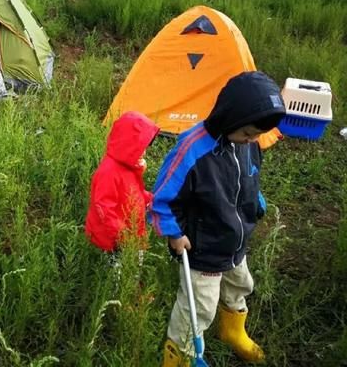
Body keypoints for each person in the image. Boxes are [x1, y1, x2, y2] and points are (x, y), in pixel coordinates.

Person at [149, 71, 286, 367]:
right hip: (203, 247)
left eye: (256, 136)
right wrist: (173, 232)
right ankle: (181, 355)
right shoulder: (192, 149)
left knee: (240, 285)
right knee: (199, 307)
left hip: (235, 241)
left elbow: (250, 178)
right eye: (248, 133)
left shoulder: (248, 144)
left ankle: (232, 330)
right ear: (230, 117)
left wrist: (256, 202)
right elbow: (162, 197)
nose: (252, 140)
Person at [85, 111, 160, 254]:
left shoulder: (129, 167)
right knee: (119, 272)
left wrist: (151, 200)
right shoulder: (108, 172)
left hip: (132, 235)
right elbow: (104, 208)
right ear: (128, 145)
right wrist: (123, 236)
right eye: (140, 149)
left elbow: (135, 193)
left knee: (133, 269)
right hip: (114, 242)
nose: (144, 154)